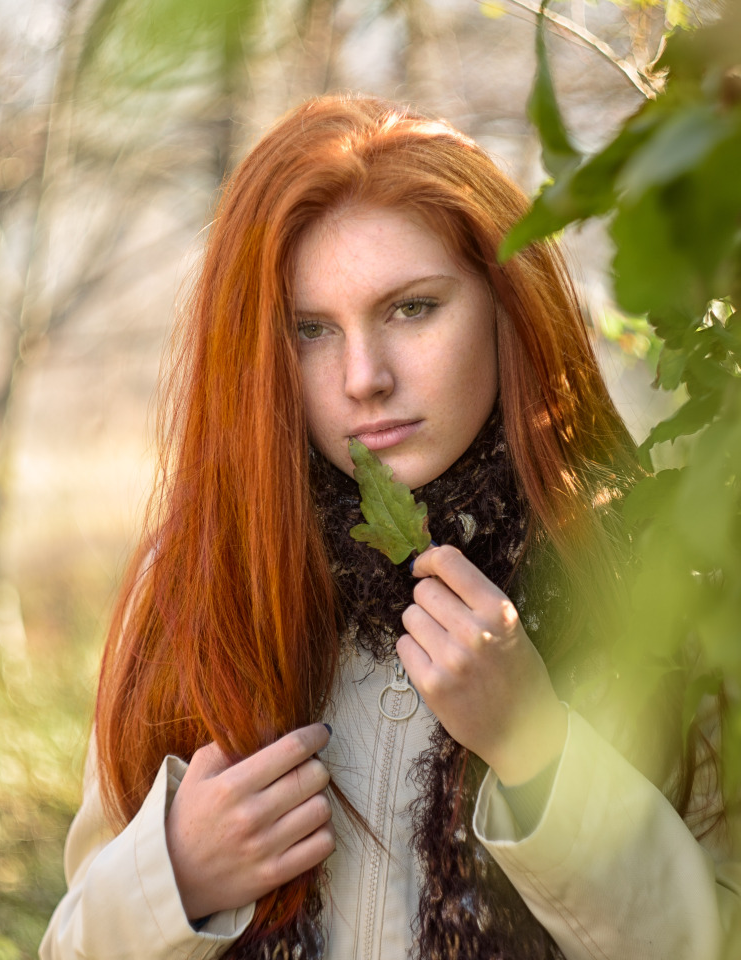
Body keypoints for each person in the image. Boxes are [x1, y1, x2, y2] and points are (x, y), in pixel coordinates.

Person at [39, 95, 738, 960]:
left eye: (411, 308)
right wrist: (174, 876)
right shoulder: (204, 582)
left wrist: (540, 751)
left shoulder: (642, 581)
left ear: (504, 304)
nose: (363, 377)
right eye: (310, 330)